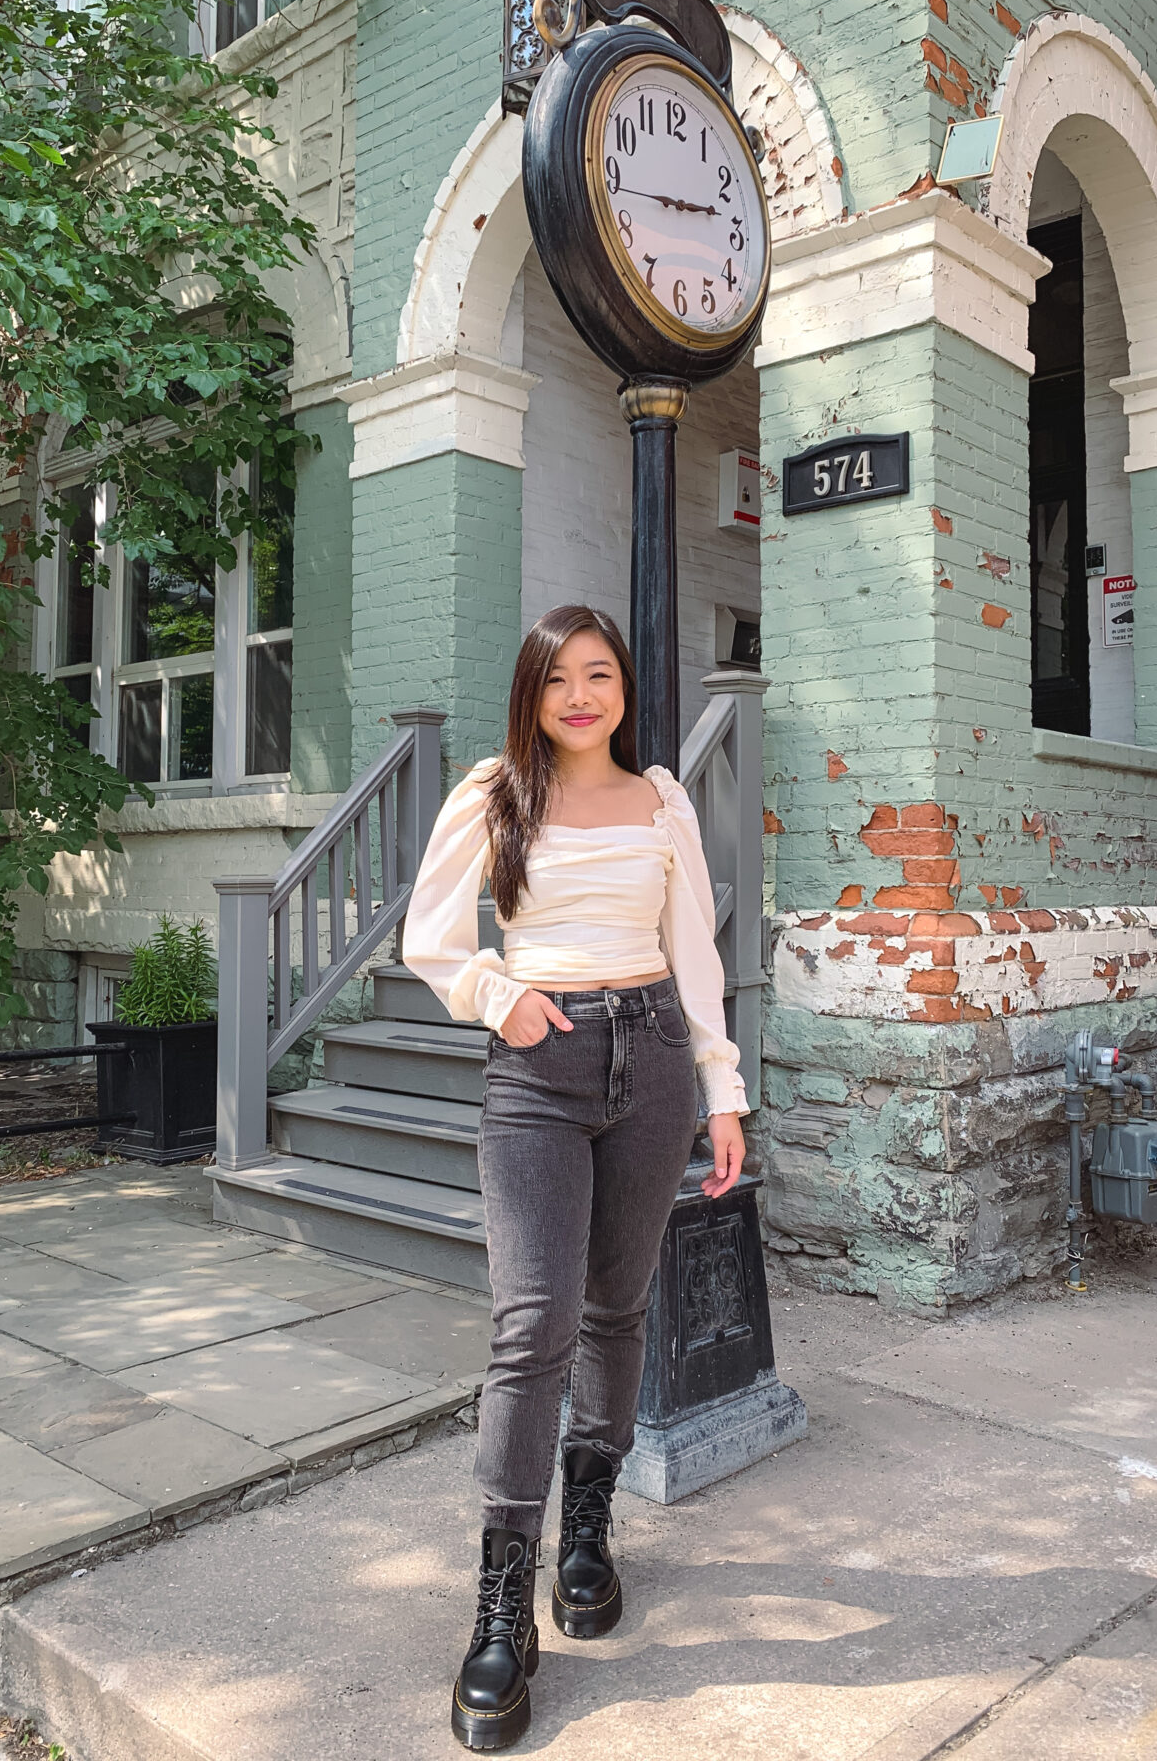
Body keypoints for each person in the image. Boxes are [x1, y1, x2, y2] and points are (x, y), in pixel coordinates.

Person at [402, 603, 748, 1751]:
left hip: (652, 1060)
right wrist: (502, 1000)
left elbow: (695, 944)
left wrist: (724, 1085)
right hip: (538, 1070)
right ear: (535, 694)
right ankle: (502, 1601)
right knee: (531, 1321)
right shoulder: (492, 794)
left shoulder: (664, 800)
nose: (583, 696)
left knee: (617, 1311)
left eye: (601, 676)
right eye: (562, 679)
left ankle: (588, 1529)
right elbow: (433, 940)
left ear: (622, 689)